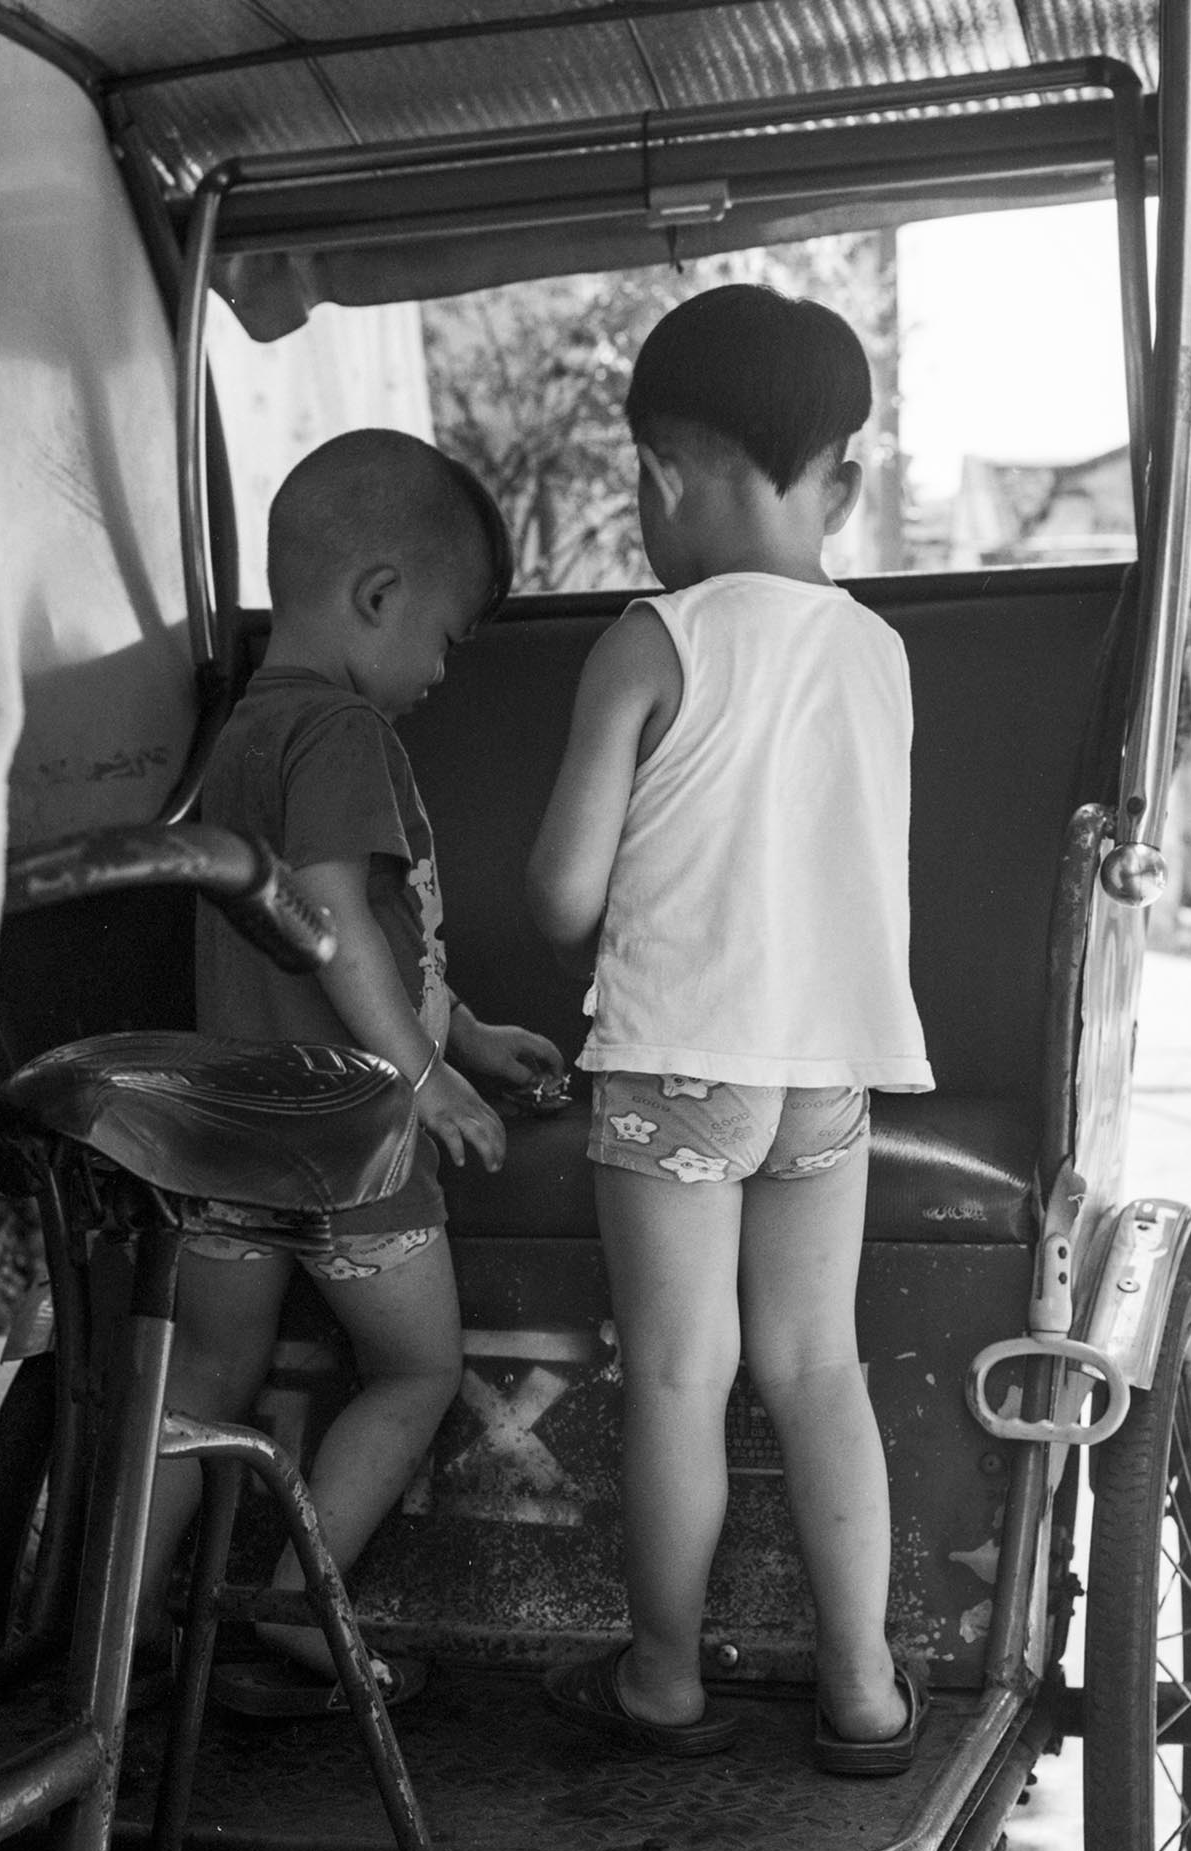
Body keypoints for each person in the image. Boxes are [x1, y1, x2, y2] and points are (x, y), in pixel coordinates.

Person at [526, 285, 936, 1772]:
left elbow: (563, 898)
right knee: (818, 1366)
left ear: (658, 475)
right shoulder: (876, 649)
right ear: (844, 480)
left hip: (679, 1065)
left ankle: (662, 1678)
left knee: (679, 1374)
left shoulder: (652, 639)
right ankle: (863, 1688)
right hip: (829, 1070)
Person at [139, 428, 564, 1714]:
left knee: (199, 1380)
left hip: (223, 1130)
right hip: (345, 1133)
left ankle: (108, 1616)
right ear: (376, 595)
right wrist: (425, 1075)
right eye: (442, 639)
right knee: (416, 1370)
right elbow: (332, 917)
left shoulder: (240, 732)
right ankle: (298, 1607)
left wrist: (464, 1031)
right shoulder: (343, 733)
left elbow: (374, 941)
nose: (439, 672)